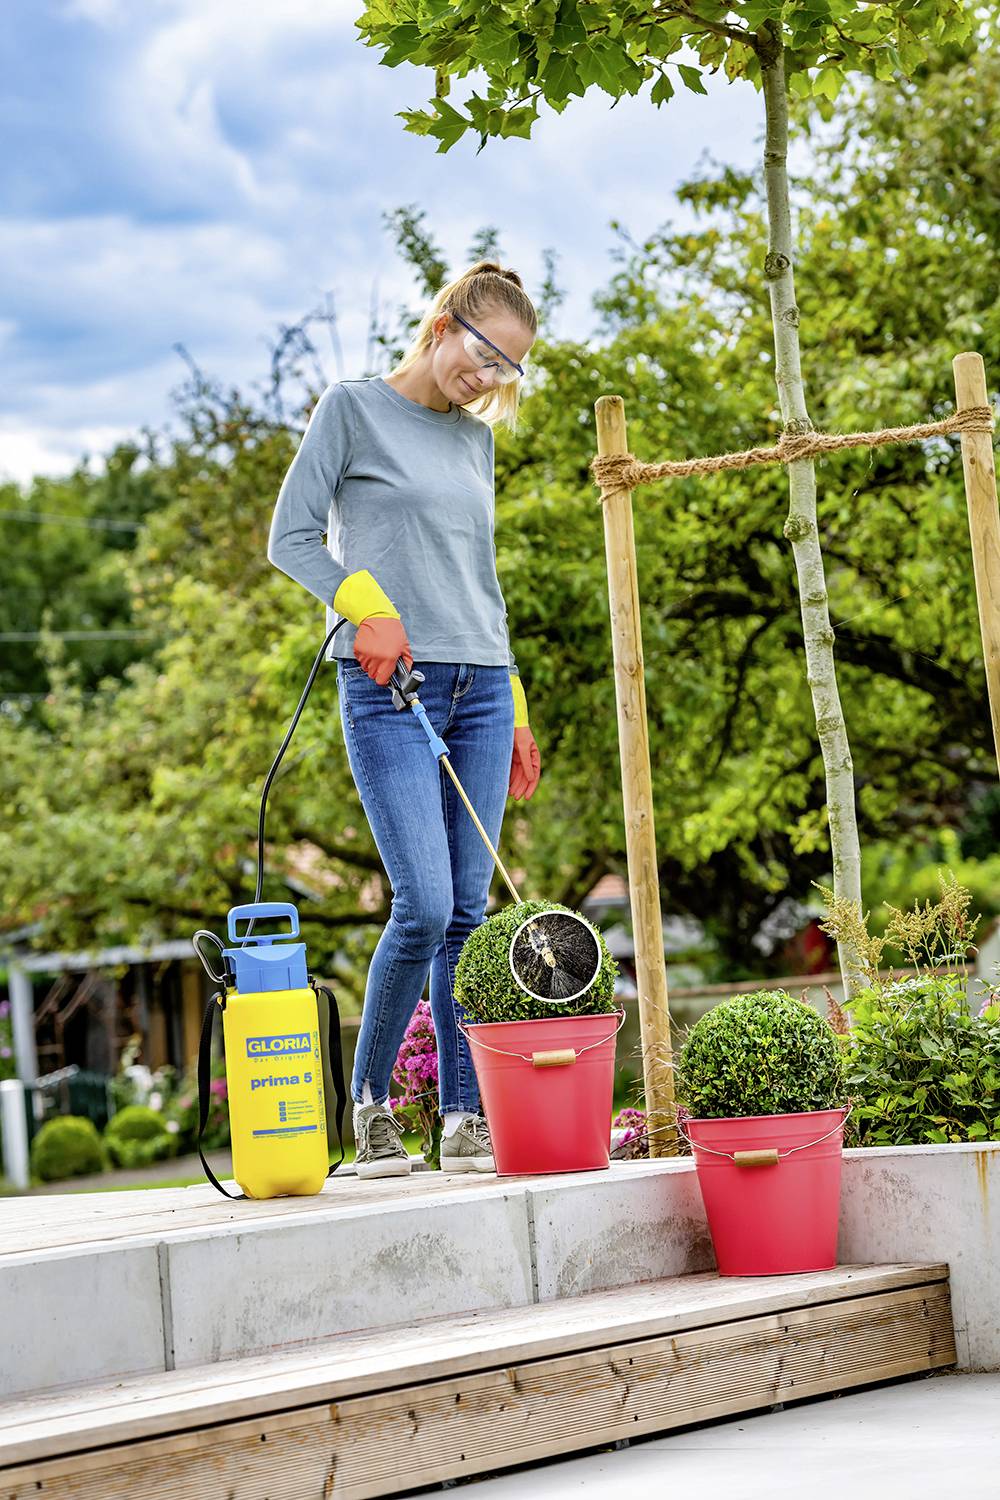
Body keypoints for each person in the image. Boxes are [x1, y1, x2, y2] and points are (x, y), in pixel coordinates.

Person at [267, 261, 541, 1179]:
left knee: (468, 914)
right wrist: (363, 602)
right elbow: (291, 535)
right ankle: (373, 1111)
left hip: (484, 687)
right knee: (423, 904)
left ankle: (463, 1119)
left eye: (511, 366)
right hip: (389, 687)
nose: (492, 375)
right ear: (444, 324)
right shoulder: (351, 410)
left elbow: (483, 580)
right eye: (486, 351)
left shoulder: (475, 443)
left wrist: (519, 708)